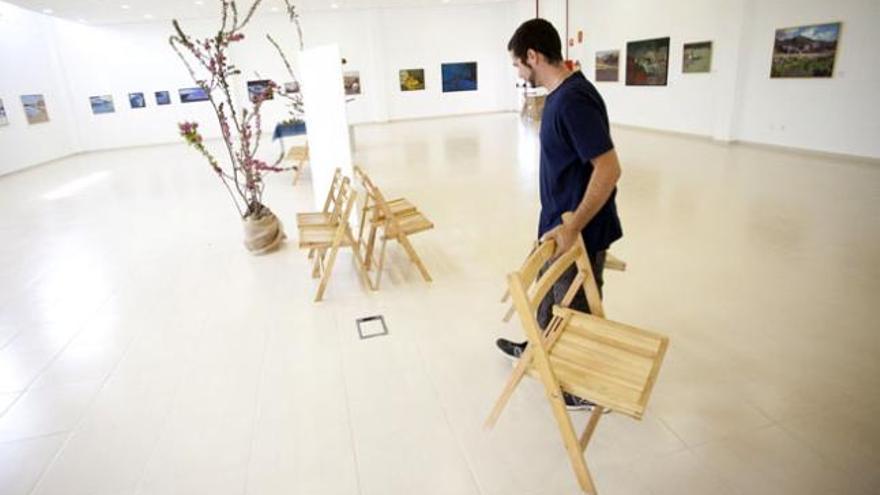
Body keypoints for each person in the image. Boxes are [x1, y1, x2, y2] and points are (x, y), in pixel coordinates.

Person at [496, 18, 623, 411]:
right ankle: (538, 346)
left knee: (574, 307)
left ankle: (581, 385)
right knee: (546, 297)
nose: (518, 72)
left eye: (518, 64)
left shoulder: (573, 100)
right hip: (557, 223)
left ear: (532, 56)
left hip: (579, 229)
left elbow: (609, 168)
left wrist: (574, 226)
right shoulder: (561, 96)